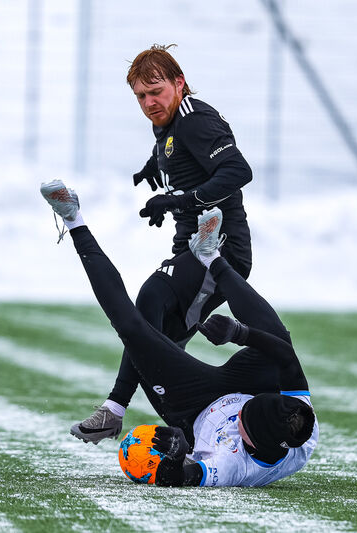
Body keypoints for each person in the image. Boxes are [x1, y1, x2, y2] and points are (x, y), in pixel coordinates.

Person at [41, 180, 317, 486]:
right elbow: (286, 357)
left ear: (253, 444)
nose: (238, 414)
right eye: (246, 410)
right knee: (279, 339)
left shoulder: (233, 466)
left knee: (134, 329)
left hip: (195, 408)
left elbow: (178, 478)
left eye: (243, 421)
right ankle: (211, 258)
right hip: (249, 384)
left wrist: (177, 453)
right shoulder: (301, 418)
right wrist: (239, 333)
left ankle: (73, 218)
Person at [71, 44, 255, 444]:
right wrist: (156, 164)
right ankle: (199, 436)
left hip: (220, 250)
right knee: (157, 347)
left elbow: (238, 170)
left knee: (151, 298)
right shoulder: (168, 123)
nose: (149, 103)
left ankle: (115, 409)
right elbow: (181, 148)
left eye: (156, 91)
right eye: (140, 96)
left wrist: (178, 201)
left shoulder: (194, 119)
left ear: (179, 83)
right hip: (194, 246)